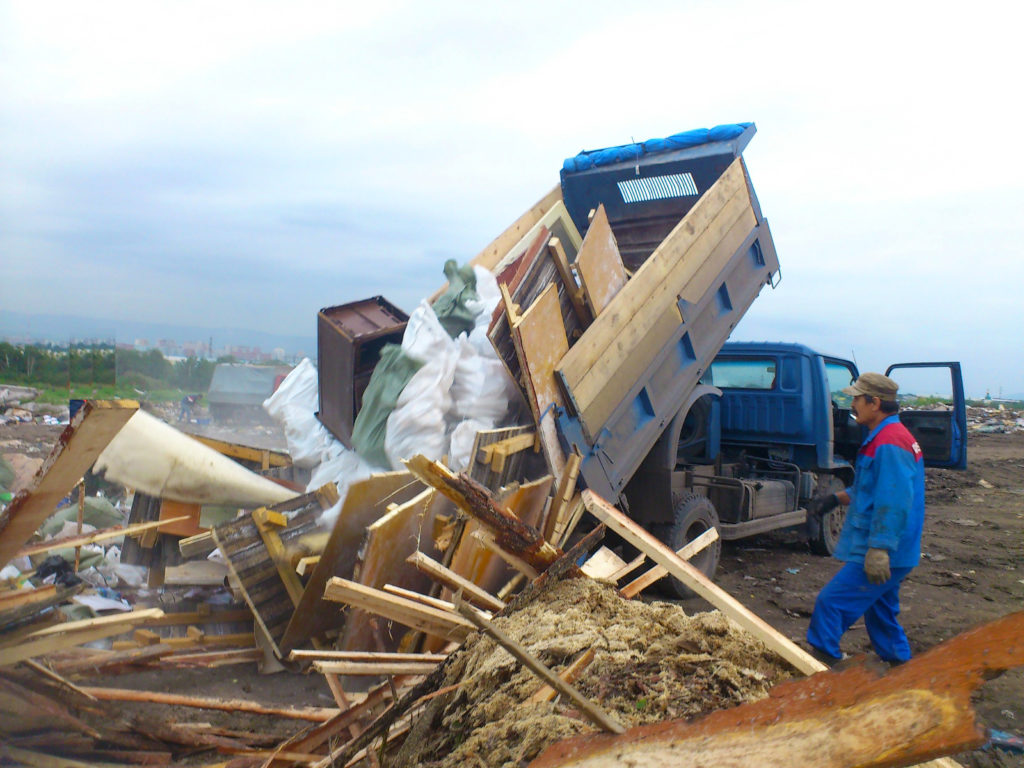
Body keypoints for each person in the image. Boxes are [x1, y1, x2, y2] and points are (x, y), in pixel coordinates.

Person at [806, 371, 925, 665]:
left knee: (831, 603)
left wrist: (880, 549)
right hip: (896, 548)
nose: (852, 405)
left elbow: (894, 500)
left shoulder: (890, 442)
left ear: (874, 402)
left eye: (856, 399)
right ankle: (900, 668)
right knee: (881, 611)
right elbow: (869, 489)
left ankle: (826, 663)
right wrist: (834, 499)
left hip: (885, 550)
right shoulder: (887, 437)